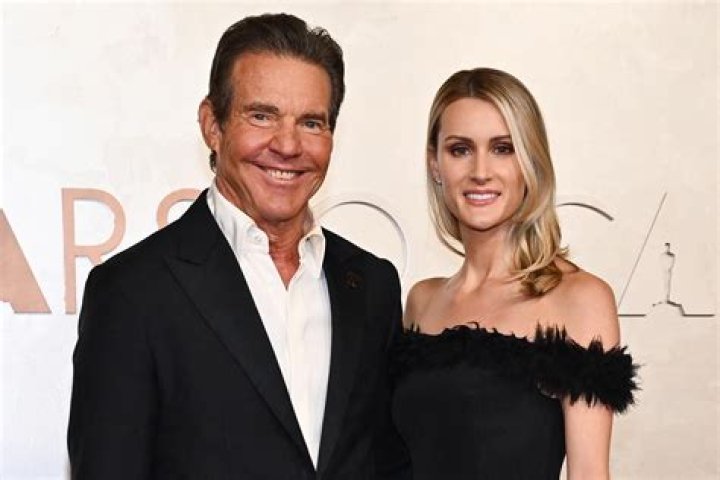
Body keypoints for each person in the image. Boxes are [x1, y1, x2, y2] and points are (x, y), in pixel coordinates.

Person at [68, 13, 408, 479]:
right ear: (213, 125)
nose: (288, 145)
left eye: (311, 122)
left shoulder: (372, 285)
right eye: (262, 116)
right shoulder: (133, 292)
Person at [392, 68, 638, 479]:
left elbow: (589, 473)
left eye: (503, 148)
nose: (480, 171)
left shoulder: (579, 299)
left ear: (529, 162)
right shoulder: (422, 301)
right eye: (460, 149)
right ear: (435, 164)